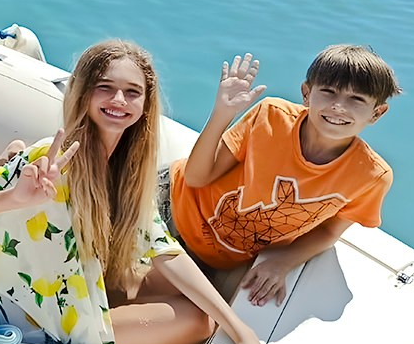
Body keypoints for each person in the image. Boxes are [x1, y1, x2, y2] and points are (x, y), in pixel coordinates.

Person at [0, 40, 296, 344]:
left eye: (131, 92)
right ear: (84, 92)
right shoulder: (53, 158)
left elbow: (163, 250)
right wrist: (13, 199)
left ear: (144, 104)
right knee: (199, 322)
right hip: (40, 312)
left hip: (76, 281)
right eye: (105, 87)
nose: (119, 99)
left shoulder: (125, 169)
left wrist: (244, 335)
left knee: (172, 279)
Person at [162, 46, 397, 308]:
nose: (338, 106)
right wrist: (222, 114)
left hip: (227, 259)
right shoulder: (271, 116)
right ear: (307, 94)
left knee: (201, 320)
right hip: (171, 207)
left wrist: (283, 262)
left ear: (377, 113)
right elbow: (196, 178)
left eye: (356, 99)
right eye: (328, 92)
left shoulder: (371, 176)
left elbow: (330, 230)